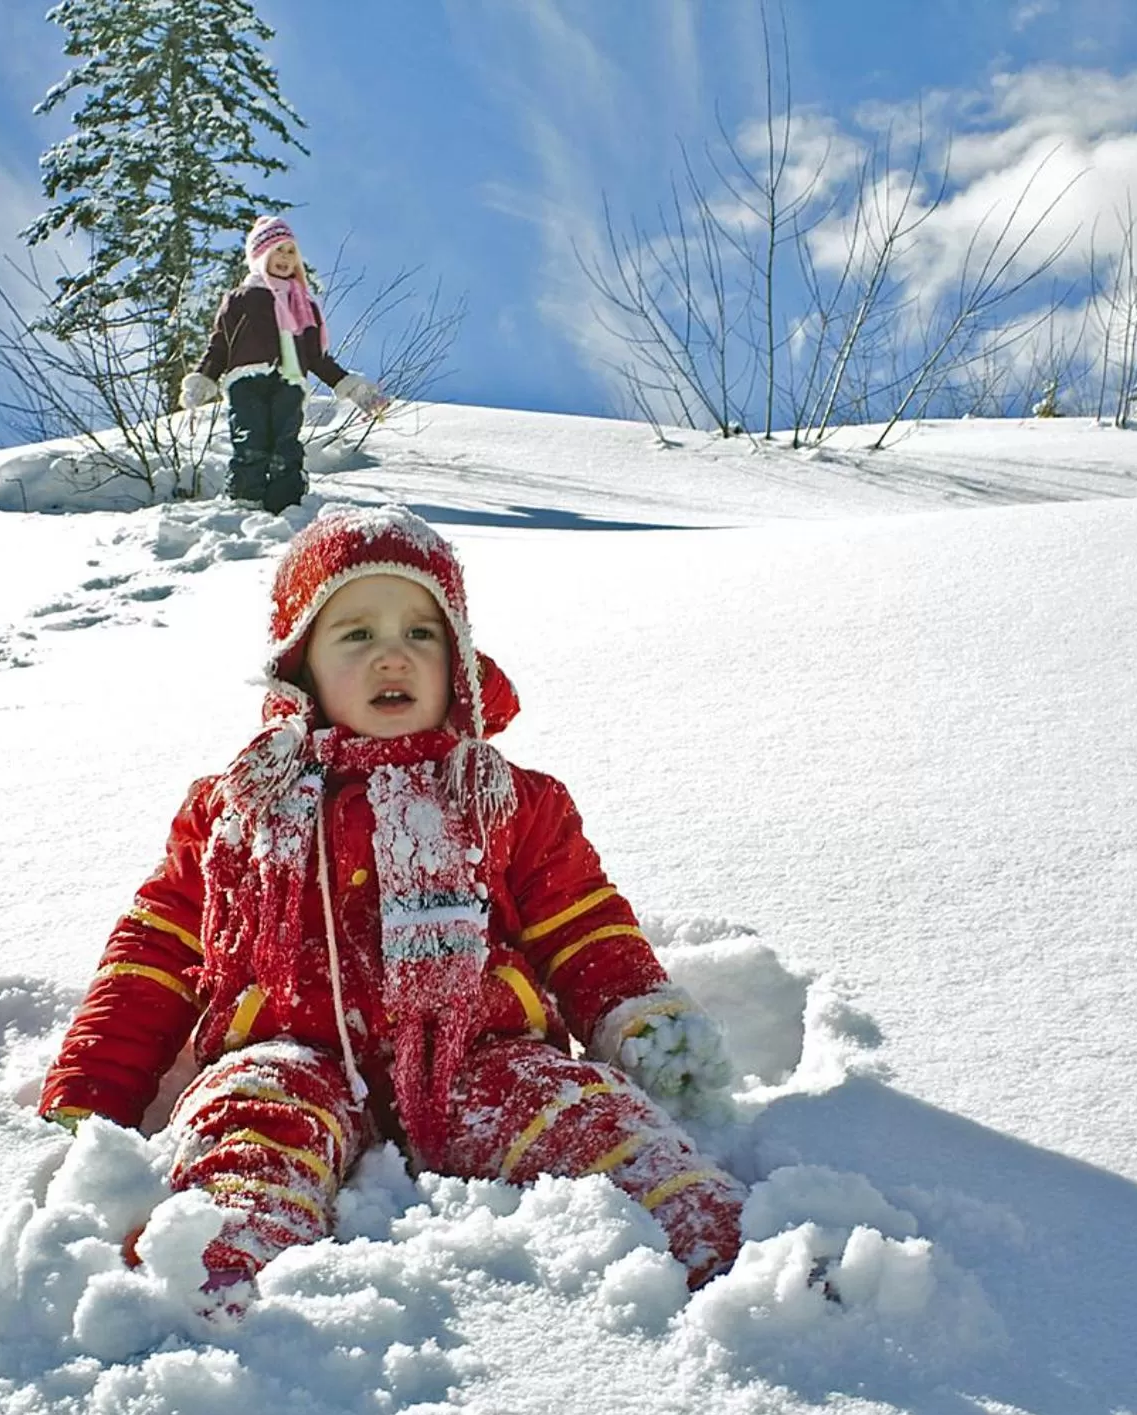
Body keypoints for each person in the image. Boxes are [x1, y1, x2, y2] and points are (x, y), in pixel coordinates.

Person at [40, 504, 746, 1318]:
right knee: (249, 1133)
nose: (392, 654)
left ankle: (727, 1252)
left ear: (459, 662)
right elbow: (156, 948)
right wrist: (96, 1087)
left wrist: (639, 1014)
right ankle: (205, 1291)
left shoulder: (505, 799)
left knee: (584, 1117)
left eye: (422, 632)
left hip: (479, 1055)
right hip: (291, 1051)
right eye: (355, 633)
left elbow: (582, 925)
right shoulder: (238, 808)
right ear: (298, 667)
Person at [180, 216, 388, 514]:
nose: (285, 258)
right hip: (246, 381)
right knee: (250, 440)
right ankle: (244, 503)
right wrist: (203, 379)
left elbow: (317, 358)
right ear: (260, 254)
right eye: (278, 250)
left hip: (290, 384)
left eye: (291, 252)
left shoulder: (303, 304)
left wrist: (354, 389)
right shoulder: (240, 298)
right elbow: (220, 345)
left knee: (285, 446)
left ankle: (286, 505)